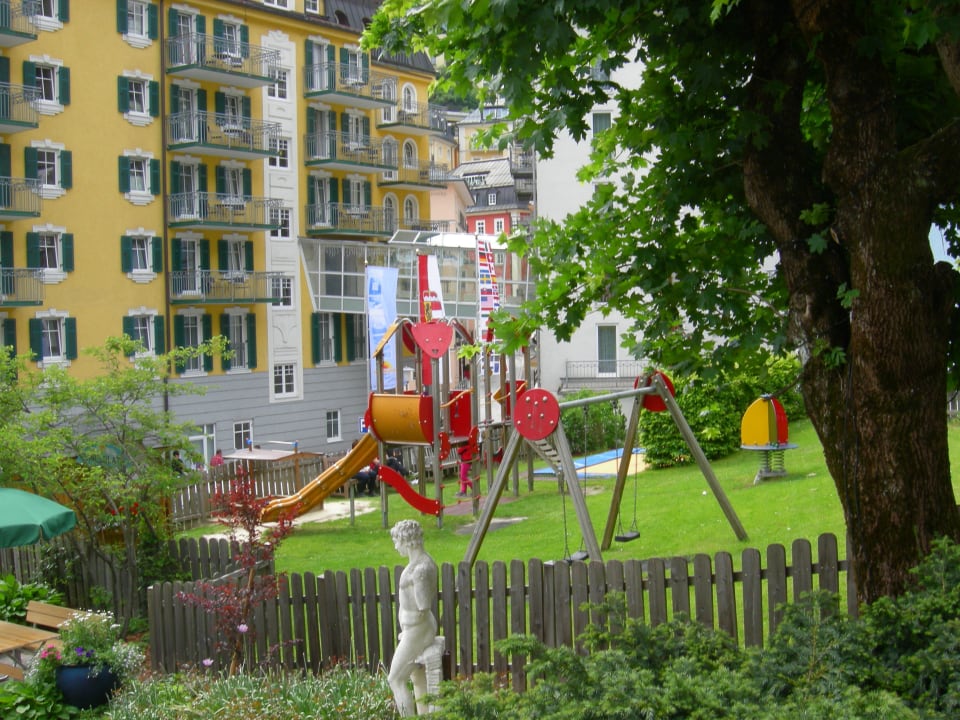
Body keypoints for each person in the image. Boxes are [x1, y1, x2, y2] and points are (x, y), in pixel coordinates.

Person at [387, 520, 438, 717]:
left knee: (395, 679)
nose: (395, 546)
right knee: (403, 678)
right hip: (413, 631)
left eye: (396, 541)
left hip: (418, 631)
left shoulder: (420, 571)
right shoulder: (417, 564)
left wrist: (408, 627)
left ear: (407, 541)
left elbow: (423, 607)